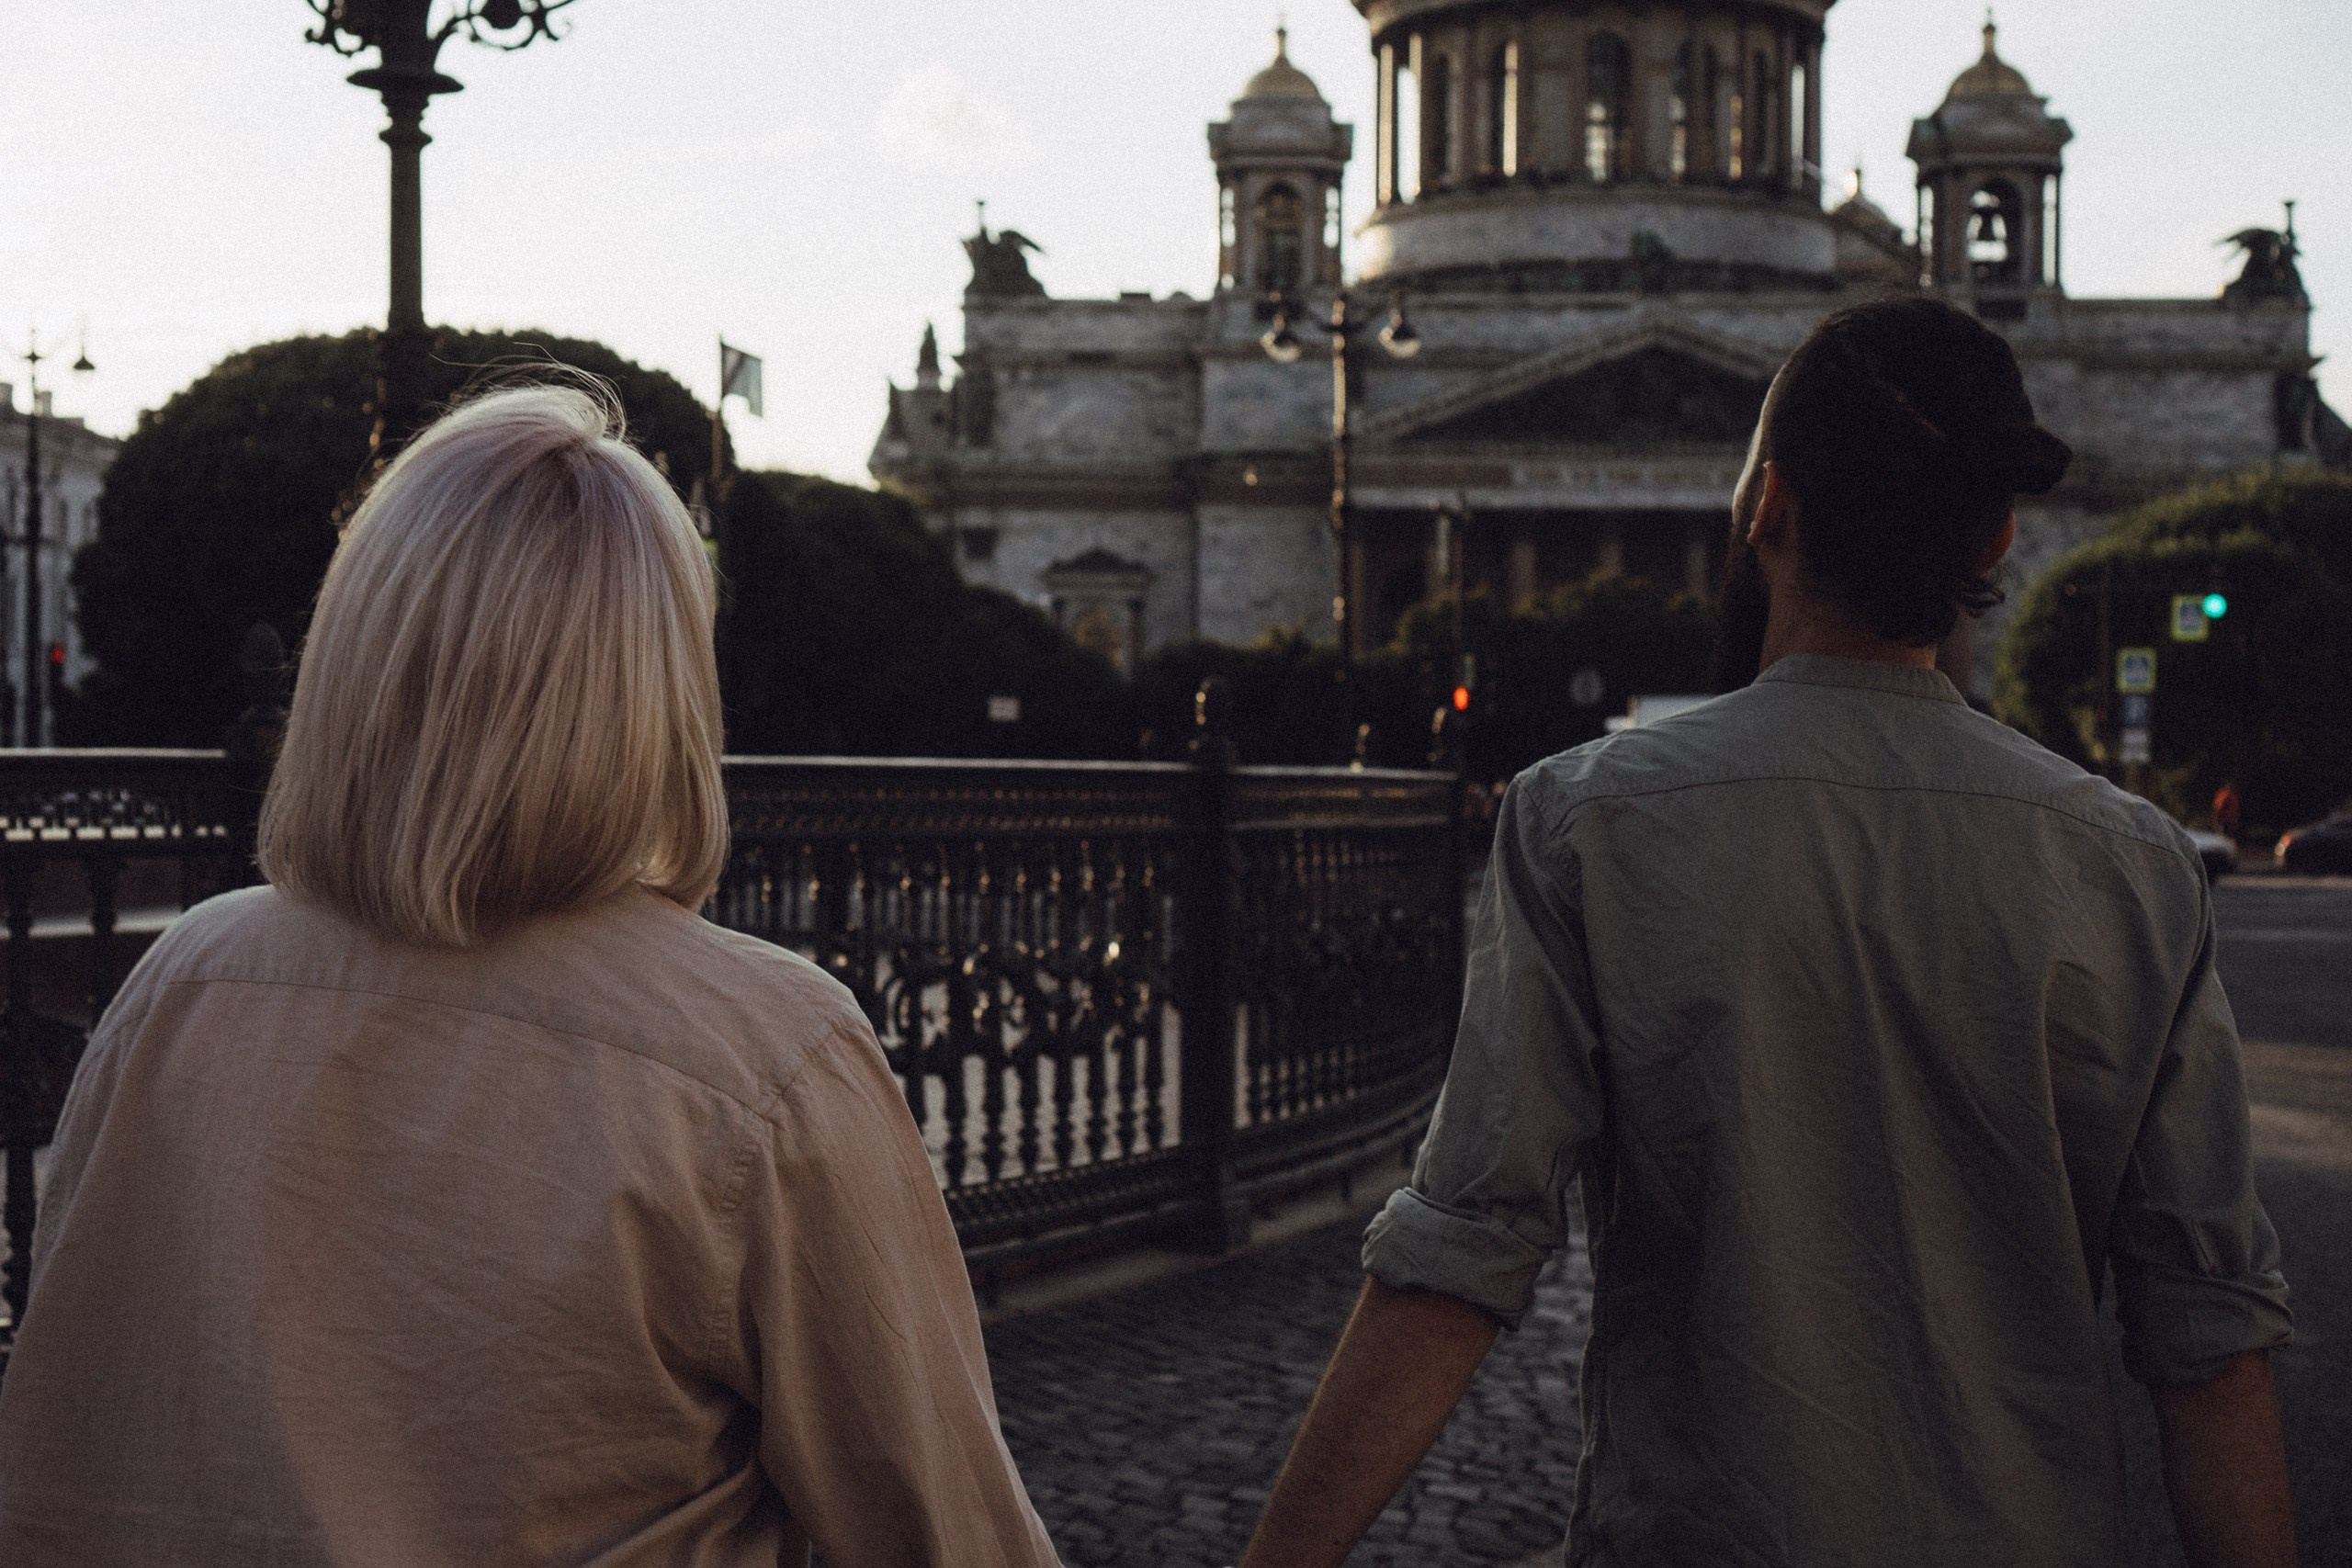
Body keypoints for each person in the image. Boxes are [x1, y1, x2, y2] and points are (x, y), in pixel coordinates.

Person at [1238, 298, 2297, 1568]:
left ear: (1768, 505)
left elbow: (1458, 1255)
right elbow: (2208, 1339)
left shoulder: (1589, 820)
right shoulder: (2136, 866)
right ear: (2001, 532)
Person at [0, 384, 1060, 1568]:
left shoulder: (180, 985)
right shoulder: (769, 1058)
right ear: (662, 693)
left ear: (351, 664)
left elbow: (67, 1430)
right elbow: (950, 1532)